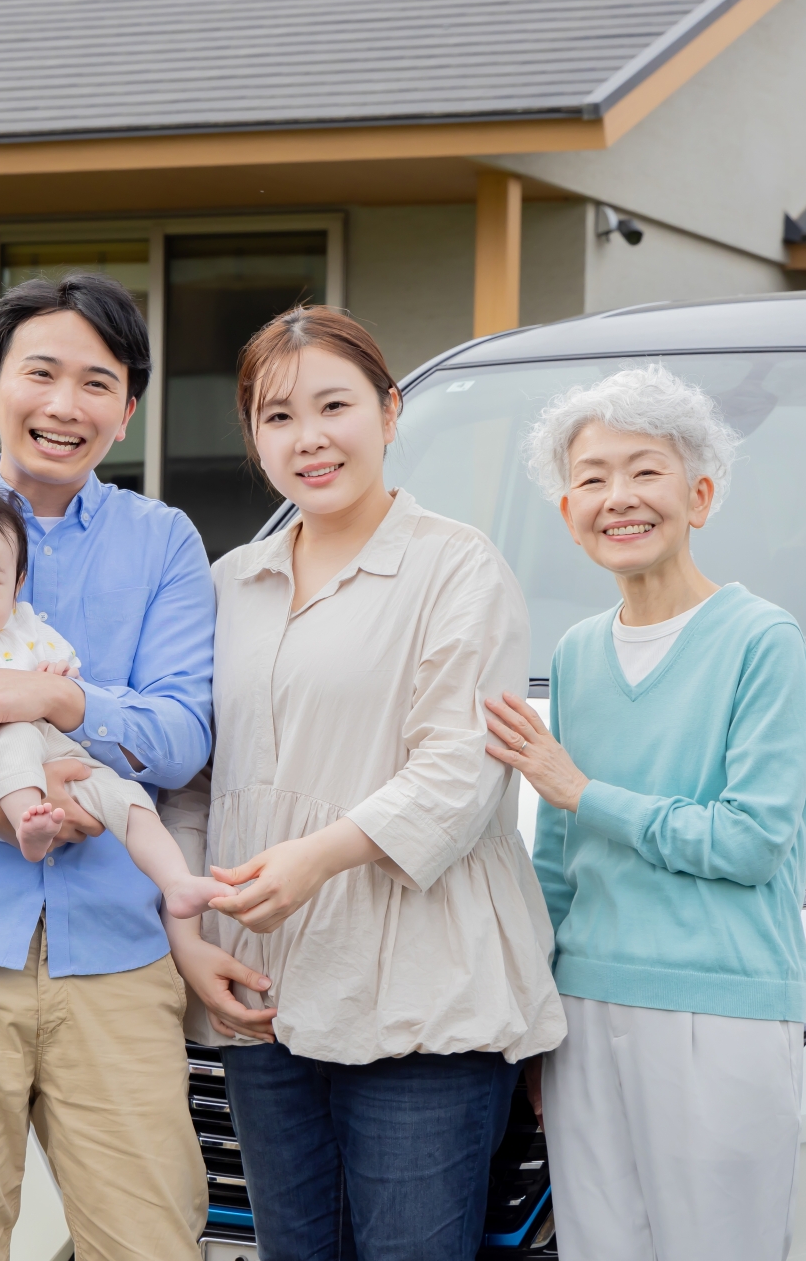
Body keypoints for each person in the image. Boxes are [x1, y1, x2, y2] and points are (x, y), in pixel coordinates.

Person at [0, 273, 275, 1259]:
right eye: (41, 373)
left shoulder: (162, 541)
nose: (66, 404)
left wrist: (63, 702)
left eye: (97, 383)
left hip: (117, 953)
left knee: (151, 1238)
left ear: (127, 410)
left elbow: (182, 730)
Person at [200, 306, 566, 1260]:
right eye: (278, 417)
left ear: (391, 412)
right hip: (265, 987)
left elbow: (460, 771)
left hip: (420, 992)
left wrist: (318, 857)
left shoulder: (457, 568)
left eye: (335, 406)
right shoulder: (230, 583)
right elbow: (197, 775)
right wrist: (191, 934)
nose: (309, 439)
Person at [484, 364, 806, 1261]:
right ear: (569, 512)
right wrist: (543, 1018)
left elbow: (751, 842)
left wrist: (582, 790)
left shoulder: (763, 643)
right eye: (592, 478)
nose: (618, 498)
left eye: (645, 471)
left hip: (721, 1007)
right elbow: (559, 863)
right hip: (586, 1011)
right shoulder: (578, 653)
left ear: (699, 496)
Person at [0, 471, 228, 918]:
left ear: (16, 586)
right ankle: (30, 823)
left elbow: (65, 674)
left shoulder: (25, 626)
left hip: (60, 743)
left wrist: (57, 676)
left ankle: (175, 880)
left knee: (123, 795)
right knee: (14, 739)